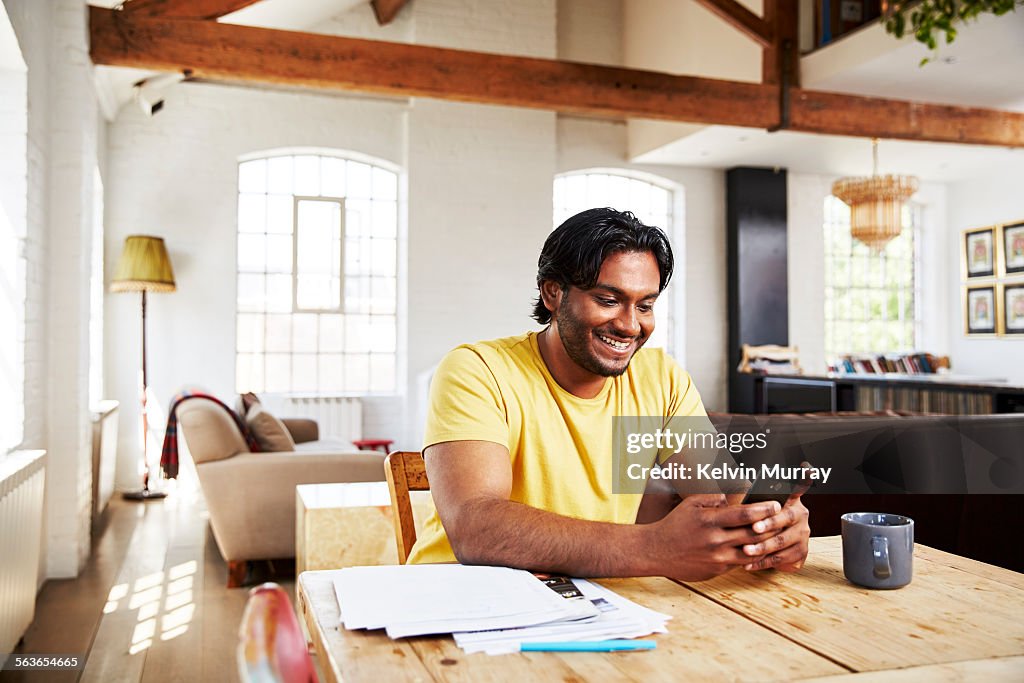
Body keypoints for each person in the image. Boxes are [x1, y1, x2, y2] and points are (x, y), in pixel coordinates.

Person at [407, 208, 810, 581]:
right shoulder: (478, 370)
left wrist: (770, 526)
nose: (630, 325)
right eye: (608, 300)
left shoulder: (662, 379)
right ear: (553, 293)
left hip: (588, 603)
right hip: (456, 600)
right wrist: (653, 547)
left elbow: (720, 498)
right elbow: (476, 527)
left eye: (645, 305)